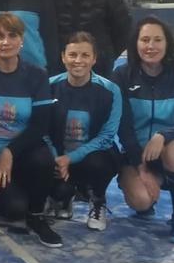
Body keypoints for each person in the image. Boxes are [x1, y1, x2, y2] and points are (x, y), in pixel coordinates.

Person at [112, 16, 174, 244]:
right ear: (135, 44)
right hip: (138, 154)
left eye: (157, 40)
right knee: (140, 201)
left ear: (167, 44)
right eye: (144, 40)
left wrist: (163, 136)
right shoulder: (122, 76)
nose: (150, 46)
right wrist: (140, 167)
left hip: (172, 149)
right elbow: (124, 128)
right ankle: (149, 182)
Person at [0, 13, 61, 247]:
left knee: (43, 159)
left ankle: (36, 214)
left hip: (20, 151)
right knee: (12, 209)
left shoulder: (36, 75)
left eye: (12, 35)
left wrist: (10, 151)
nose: (5, 42)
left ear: (22, 40)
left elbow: (40, 125)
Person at [46, 31, 121, 231]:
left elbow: (107, 136)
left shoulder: (110, 90)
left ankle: (97, 200)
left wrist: (70, 159)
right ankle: (62, 197)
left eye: (85, 55)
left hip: (89, 157)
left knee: (101, 161)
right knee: (45, 169)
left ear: (94, 58)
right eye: (72, 55)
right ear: (63, 57)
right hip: (58, 158)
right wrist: (56, 157)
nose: (78, 60)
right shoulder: (49, 86)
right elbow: (42, 129)